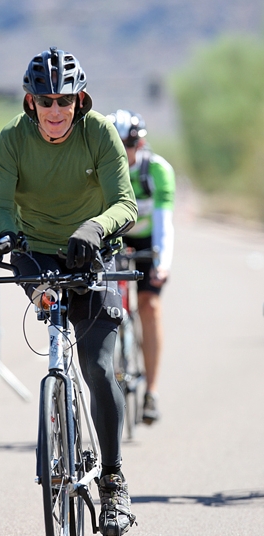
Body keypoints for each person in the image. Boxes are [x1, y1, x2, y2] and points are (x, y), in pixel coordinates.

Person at [0, 47, 138, 536]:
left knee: (95, 363)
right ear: (31, 102)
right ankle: (57, 402)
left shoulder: (100, 134)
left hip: (93, 250)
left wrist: (96, 227)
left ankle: (113, 482)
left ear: (79, 100)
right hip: (40, 254)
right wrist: (4, 234)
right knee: (53, 327)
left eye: (64, 100)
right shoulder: (12, 139)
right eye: (45, 100)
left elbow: (125, 204)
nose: (55, 110)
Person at [107, 109, 175, 424]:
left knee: (150, 306)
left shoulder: (157, 170)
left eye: (129, 143)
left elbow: (164, 223)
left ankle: (152, 391)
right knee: (106, 309)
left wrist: (161, 264)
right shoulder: (101, 169)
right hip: (115, 240)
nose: (124, 150)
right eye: (117, 143)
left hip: (148, 240)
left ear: (141, 142)